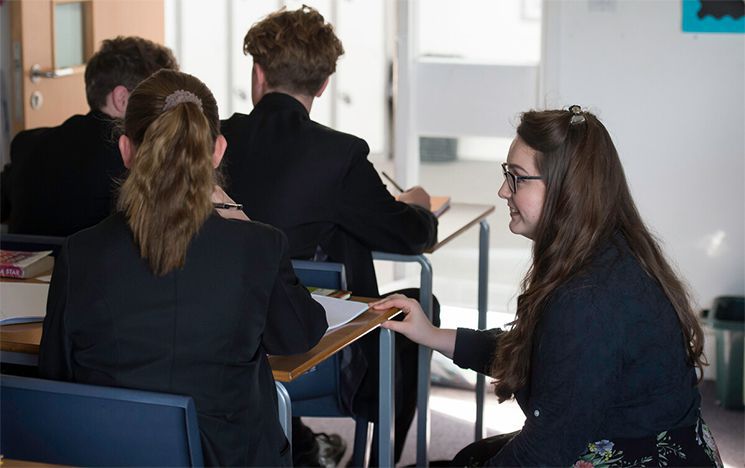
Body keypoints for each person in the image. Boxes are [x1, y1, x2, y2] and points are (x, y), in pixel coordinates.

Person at [373, 106, 723, 466]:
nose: (502, 190)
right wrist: (431, 334)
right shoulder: (601, 249)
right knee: (471, 457)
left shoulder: (587, 298)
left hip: (635, 455)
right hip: (645, 443)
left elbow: (546, 451)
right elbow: (538, 354)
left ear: (565, 189)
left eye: (517, 177)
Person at [38, 69, 329, 467]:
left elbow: (57, 377)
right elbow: (299, 335)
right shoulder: (257, 246)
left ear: (126, 149)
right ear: (217, 150)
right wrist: (239, 217)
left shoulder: (80, 253)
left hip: (113, 457)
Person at [220, 5, 439, 465]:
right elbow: (408, 238)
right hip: (314, 354)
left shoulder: (216, 140)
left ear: (258, 74)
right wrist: (416, 207)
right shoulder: (339, 155)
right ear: (323, 84)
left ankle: (297, 444)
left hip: (224, 340)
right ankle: (383, 455)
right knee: (422, 301)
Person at [1, 36, 178, 236]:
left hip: (30, 267)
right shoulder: (137, 158)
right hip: (96, 266)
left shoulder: (27, 144)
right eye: (160, 102)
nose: (166, 114)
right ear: (122, 99)